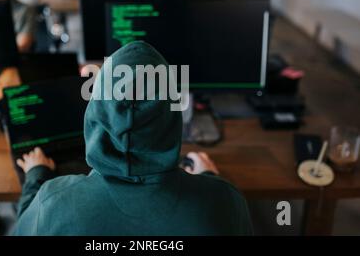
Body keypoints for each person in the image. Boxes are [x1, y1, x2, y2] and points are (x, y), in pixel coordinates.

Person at [13, 41, 252, 235]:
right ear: (173, 114)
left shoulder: (53, 204)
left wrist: (35, 176)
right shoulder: (225, 203)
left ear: (95, 113)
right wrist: (208, 179)